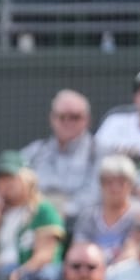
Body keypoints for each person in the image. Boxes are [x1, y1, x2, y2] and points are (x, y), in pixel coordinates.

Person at [22, 91, 102, 228]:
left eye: (75, 117)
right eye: (62, 117)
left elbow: (95, 195)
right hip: (35, 221)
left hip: (80, 226)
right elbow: (17, 184)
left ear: (87, 120)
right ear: (52, 118)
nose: (67, 122)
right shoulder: (34, 152)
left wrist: (59, 212)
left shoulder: (99, 153)